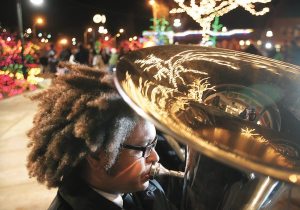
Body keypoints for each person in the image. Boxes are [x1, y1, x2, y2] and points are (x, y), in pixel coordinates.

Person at [26, 63, 176, 210]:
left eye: (154, 144)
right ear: (96, 155)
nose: (155, 157)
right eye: (144, 148)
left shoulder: (138, 185)